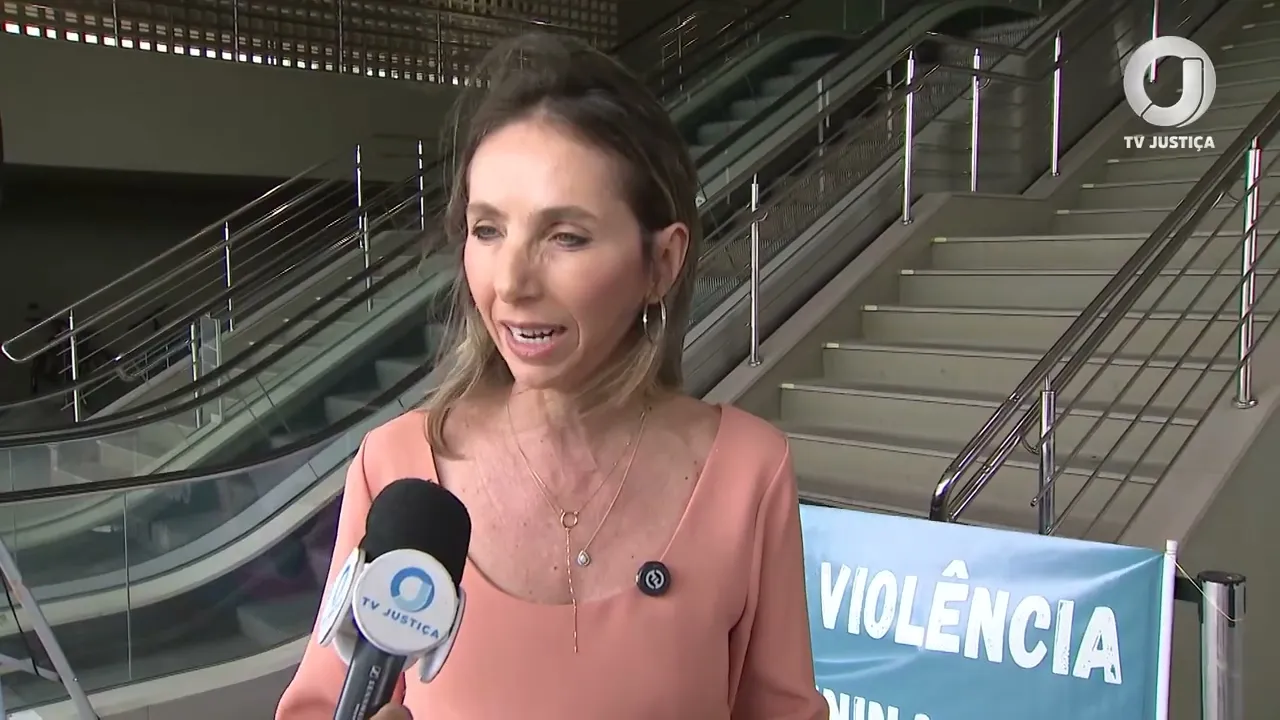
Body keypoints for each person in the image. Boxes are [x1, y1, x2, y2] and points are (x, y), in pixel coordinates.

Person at [276, 32, 826, 720]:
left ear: (661, 262)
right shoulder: (395, 468)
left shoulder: (750, 472)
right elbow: (318, 705)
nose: (511, 282)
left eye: (565, 237)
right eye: (487, 230)